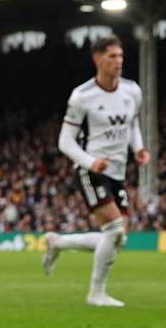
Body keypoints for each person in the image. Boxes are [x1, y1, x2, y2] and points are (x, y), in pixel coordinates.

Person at [41, 36, 150, 307]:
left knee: (118, 239)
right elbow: (64, 141)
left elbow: (132, 123)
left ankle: (58, 243)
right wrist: (91, 162)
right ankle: (96, 293)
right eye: (112, 56)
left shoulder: (132, 91)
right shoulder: (82, 97)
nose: (118, 61)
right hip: (91, 170)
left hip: (117, 172)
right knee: (114, 230)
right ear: (97, 59)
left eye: (121, 56)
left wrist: (139, 148)